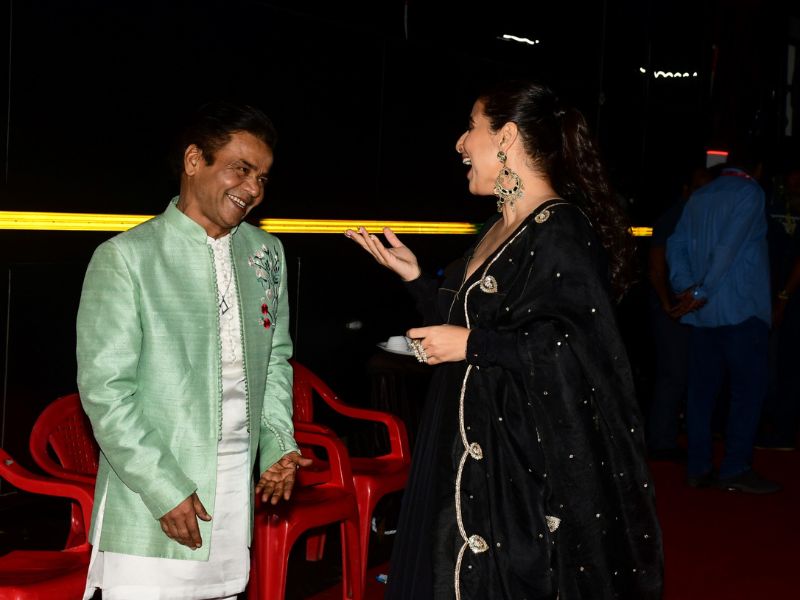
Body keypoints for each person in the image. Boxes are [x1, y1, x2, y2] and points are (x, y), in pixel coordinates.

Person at [346, 81, 662, 599]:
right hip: (459, 440)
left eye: (471, 127)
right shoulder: (497, 227)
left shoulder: (558, 229)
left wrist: (473, 346)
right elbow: (471, 324)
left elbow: (575, 351)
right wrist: (416, 279)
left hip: (515, 463)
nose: (460, 143)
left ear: (507, 137)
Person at [76, 101, 311, 600]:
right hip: (149, 487)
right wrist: (164, 489)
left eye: (262, 177)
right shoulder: (126, 258)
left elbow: (274, 360)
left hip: (233, 484)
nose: (253, 188)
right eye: (240, 169)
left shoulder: (265, 253)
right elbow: (106, 393)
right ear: (193, 160)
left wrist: (278, 445)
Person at [666, 143, 780, 494]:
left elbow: (675, 244)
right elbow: (728, 248)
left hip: (702, 317)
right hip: (741, 310)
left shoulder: (701, 195)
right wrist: (699, 291)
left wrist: (686, 287)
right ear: (758, 169)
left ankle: (698, 467)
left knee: (701, 394)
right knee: (747, 392)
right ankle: (734, 468)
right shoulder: (750, 192)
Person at [646, 165, 713, 461]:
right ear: (686, 190)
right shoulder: (674, 217)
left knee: (683, 372)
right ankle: (661, 440)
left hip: (688, 308)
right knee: (672, 373)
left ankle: (671, 432)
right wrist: (666, 303)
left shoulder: (698, 216)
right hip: (672, 309)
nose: (703, 194)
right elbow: (656, 266)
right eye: (698, 187)